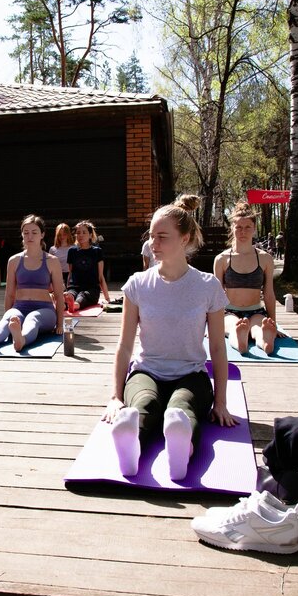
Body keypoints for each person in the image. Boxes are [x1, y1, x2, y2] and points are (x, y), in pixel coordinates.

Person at [103, 195, 237, 480]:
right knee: (144, 404)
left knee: (180, 408)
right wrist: (116, 396)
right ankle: (130, 447)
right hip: (146, 372)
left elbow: (217, 346)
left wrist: (221, 402)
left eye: (162, 237)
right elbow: (125, 344)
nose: (154, 243)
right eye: (152, 236)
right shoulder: (138, 284)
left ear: (185, 238)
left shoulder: (207, 286)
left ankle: (181, 449)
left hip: (191, 375)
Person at [0, 215, 65, 352]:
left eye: (34, 232)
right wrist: (9, 318)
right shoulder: (14, 260)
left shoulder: (52, 261)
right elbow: (9, 294)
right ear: (22, 235)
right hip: (19, 306)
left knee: (32, 318)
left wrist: (60, 324)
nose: (30, 236)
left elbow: (59, 295)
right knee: (9, 317)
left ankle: (21, 340)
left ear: (42, 234)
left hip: (45, 310)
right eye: (26, 233)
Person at [214, 203, 278, 355]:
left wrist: (273, 322)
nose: (243, 232)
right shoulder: (222, 259)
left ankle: (266, 341)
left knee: (258, 329)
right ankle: (240, 342)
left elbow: (269, 293)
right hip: (229, 311)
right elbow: (215, 295)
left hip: (256, 310)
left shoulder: (265, 259)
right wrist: (212, 326)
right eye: (239, 227)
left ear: (254, 228)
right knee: (232, 327)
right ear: (232, 228)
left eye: (247, 227)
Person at [63, 220, 110, 312]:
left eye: (84, 232)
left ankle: (74, 305)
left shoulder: (97, 251)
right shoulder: (72, 251)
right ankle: (66, 303)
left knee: (83, 296)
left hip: (91, 289)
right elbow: (70, 273)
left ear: (90, 235)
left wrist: (107, 298)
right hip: (75, 287)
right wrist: (68, 288)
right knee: (70, 294)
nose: (80, 235)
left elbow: (100, 277)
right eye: (78, 233)